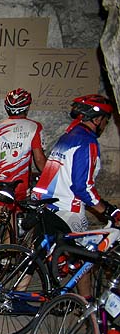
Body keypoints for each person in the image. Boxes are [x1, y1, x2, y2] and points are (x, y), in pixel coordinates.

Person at [33, 94, 120, 296]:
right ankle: (85, 303)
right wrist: (106, 209)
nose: (105, 124)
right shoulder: (87, 142)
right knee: (86, 257)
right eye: (106, 119)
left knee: (40, 252)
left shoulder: (68, 136)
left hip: (47, 203)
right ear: (97, 119)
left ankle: (19, 290)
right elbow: (82, 187)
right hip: (67, 208)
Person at [0, 88, 47, 218]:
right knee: (13, 220)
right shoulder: (34, 127)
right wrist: (51, 176)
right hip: (20, 183)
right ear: (27, 107)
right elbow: (40, 160)